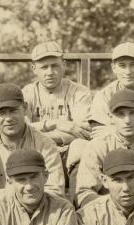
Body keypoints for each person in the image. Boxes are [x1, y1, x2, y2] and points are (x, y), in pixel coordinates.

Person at [0, 84, 65, 208]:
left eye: (13, 110)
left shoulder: (45, 145)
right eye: (1, 113)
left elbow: (55, 191)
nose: (8, 118)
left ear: (25, 108)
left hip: (37, 214)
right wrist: (18, 197)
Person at [22, 41, 92, 185]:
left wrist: (38, 133)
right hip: (38, 155)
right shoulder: (27, 92)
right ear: (34, 68)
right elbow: (22, 130)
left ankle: (79, 200)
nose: (50, 72)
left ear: (64, 65)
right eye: (44, 67)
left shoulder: (79, 92)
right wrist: (57, 123)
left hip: (69, 154)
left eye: (55, 66)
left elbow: (83, 132)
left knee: (81, 146)